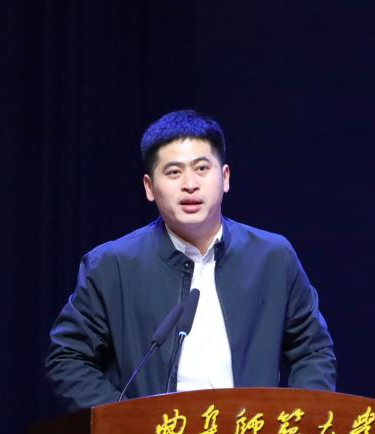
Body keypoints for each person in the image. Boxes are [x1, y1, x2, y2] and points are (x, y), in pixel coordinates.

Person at [45, 109, 336, 411]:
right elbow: (67, 358)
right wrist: (125, 422)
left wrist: (299, 419)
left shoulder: (273, 257)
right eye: (174, 172)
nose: (190, 184)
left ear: (225, 177)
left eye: (201, 168)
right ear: (149, 187)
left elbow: (313, 350)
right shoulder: (111, 266)